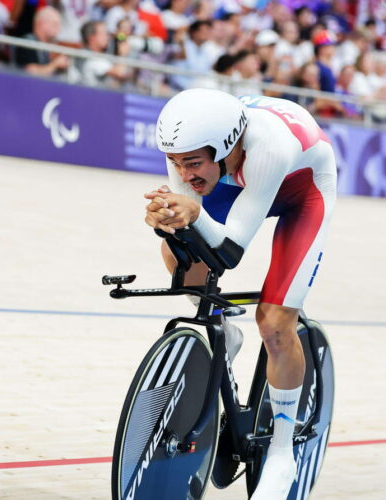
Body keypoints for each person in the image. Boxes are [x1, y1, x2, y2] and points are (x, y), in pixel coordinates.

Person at [144, 88, 336, 500]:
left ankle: (282, 454)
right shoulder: (190, 147)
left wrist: (193, 212)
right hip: (238, 182)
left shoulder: (269, 145)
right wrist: (167, 222)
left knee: (275, 323)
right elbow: (194, 241)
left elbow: (229, 252)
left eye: (192, 164)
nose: (183, 171)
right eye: (175, 163)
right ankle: (224, 332)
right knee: (176, 254)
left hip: (303, 191)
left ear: (226, 145)